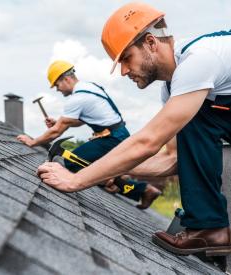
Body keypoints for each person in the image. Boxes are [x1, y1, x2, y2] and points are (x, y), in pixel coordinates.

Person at [37, 2, 231, 256]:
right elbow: (172, 159)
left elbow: (147, 142)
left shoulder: (199, 60)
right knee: (194, 121)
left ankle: (209, 228)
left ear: (151, 42)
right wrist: (100, 171)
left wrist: (75, 180)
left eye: (127, 58)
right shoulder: (175, 89)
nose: (124, 71)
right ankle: (210, 230)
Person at [17, 60, 161, 208]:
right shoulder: (90, 88)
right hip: (116, 135)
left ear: (66, 79)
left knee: (72, 161)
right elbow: (81, 120)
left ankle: (125, 184)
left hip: (111, 138)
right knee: (99, 169)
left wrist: (32, 142)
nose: (57, 90)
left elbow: (56, 131)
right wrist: (59, 123)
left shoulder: (78, 98)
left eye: (57, 85)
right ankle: (134, 187)